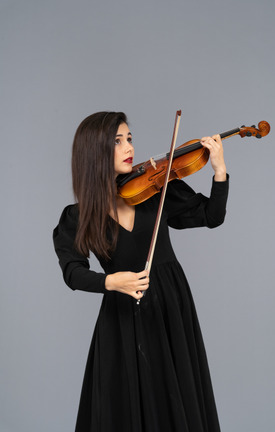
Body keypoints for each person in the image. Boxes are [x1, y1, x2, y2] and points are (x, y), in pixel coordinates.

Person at [53, 111, 229, 432]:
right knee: (124, 408)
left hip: (170, 306)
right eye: (117, 141)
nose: (128, 147)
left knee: (178, 400)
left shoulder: (155, 188)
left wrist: (219, 170)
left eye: (129, 139)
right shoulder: (77, 216)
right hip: (120, 317)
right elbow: (73, 273)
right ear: (95, 152)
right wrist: (111, 281)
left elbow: (211, 215)